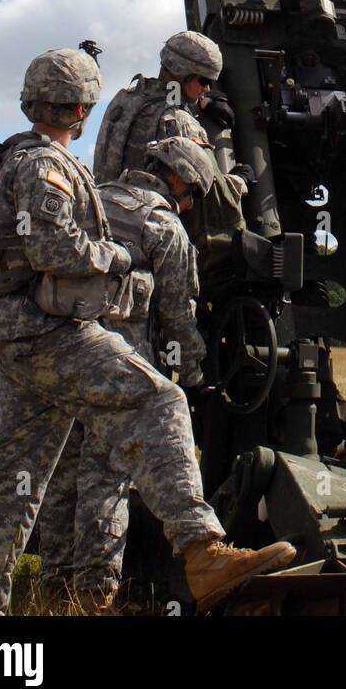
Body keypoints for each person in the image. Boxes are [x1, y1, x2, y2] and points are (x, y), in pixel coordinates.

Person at [0, 48, 294, 616]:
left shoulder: (19, 157)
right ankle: (203, 551)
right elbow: (50, 247)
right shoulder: (45, 165)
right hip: (51, 332)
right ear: (83, 108)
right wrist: (113, 257)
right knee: (160, 400)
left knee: (10, 484)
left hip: (18, 337)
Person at [37, 135, 214, 607]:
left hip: (60, 357)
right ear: (176, 177)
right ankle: (94, 593)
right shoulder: (164, 226)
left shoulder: (90, 197)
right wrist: (194, 376)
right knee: (106, 476)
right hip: (117, 370)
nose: (190, 202)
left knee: (60, 472)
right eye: (192, 191)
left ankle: (54, 585)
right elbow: (178, 317)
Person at [92, 30, 246, 254]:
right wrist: (239, 181)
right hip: (151, 243)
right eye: (204, 81)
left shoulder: (124, 99)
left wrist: (200, 102)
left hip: (104, 233)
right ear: (182, 74)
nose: (208, 89)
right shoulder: (181, 123)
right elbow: (213, 199)